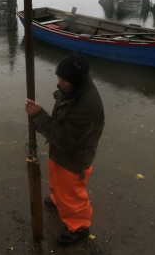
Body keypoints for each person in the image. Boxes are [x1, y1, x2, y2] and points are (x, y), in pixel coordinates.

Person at [24, 52, 105, 247]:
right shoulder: (72, 88)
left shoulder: (87, 105)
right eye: (58, 76)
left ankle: (79, 227)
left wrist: (39, 117)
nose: (59, 82)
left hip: (74, 157)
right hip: (60, 152)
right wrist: (42, 123)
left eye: (64, 80)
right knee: (56, 180)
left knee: (72, 195)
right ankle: (58, 198)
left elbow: (67, 140)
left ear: (75, 81)